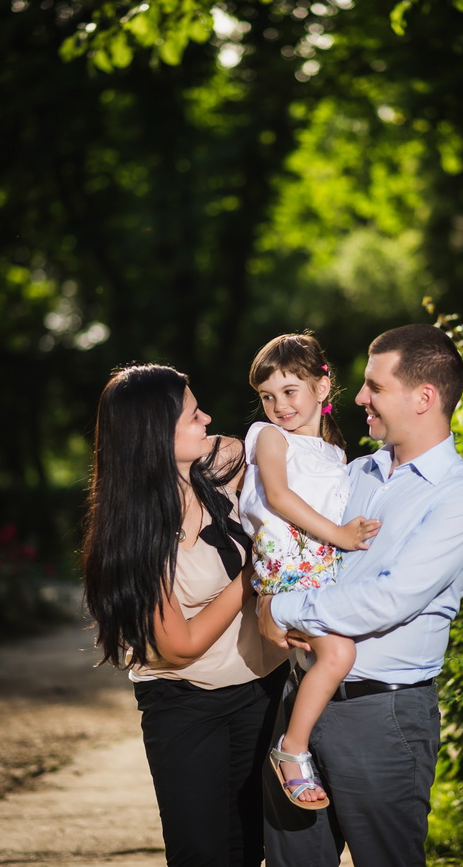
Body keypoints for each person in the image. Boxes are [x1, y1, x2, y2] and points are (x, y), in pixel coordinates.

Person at [258, 324, 463, 867]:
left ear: (424, 397)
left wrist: (280, 608)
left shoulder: (461, 498)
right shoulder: (351, 472)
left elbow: (386, 602)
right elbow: (289, 545)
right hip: (300, 700)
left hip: (383, 718)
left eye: (374, 386)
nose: (359, 397)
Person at [82, 363, 289, 867]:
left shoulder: (211, 477)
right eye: (194, 415)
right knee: (203, 851)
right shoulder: (132, 533)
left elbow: (251, 445)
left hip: (262, 689)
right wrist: (253, 576)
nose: (208, 419)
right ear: (156, 433)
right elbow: (180, 644)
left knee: (257, 843)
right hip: (187, 705)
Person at [240, 334, 379, 811]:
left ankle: (311, 753)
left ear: (322, 386)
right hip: (289, 576)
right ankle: (290, 751)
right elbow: (278, 496)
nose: (278, 405)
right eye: (267, 396)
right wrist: (342, 535)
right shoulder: (268, 437)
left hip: (325, 581)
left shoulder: (337, 456)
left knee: (325, 667)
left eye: (289, 391)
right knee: (337, 654)